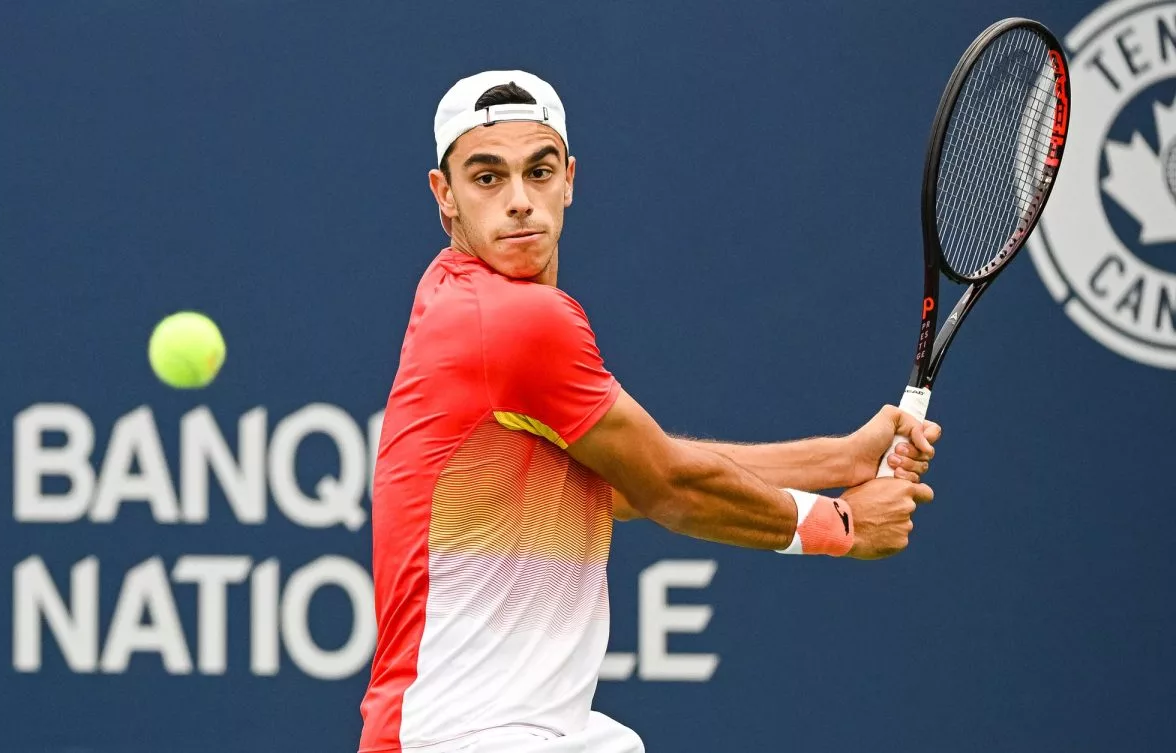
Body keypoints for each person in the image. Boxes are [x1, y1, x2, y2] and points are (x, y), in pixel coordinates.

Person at [356, 70, 941, 753]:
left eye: (538, 172)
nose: (519, 201)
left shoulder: (458, 301)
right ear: (445, 196)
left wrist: (840, 459)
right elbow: (669, 486)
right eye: (488, 178)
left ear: (569, 179)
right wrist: (840, 522)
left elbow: (629, 478)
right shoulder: (515, 322)